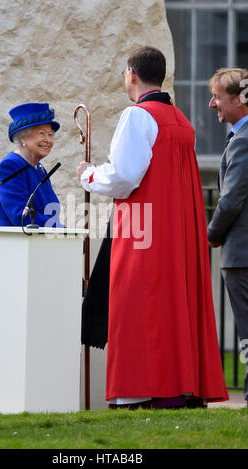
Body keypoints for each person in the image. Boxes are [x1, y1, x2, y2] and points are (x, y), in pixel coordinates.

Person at [78, 46, 228, 409]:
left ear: (131, 74)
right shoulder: (181, 120)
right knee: (175, 305)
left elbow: (126, 176)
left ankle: (139, 391)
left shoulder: (137, 116)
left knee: (137, 306)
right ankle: (182, 387)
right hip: (175, 231)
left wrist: (90, 175)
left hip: (142, 230)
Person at [208, 68, 248, 406]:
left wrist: (211, 234)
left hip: (242, 255)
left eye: (218, 97)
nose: (212, 103)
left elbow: (232, 197)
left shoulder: (245, 139)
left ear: (239, 100)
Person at [0, 102, 62, 227]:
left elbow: (50, 210)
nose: (48, 139)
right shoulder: (10, 166)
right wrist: (60, 230)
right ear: (23, 137)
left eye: (50, 134)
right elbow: (21, 215)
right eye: (41, 133)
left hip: (42, 242)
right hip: (16, 244)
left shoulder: (39, 169)